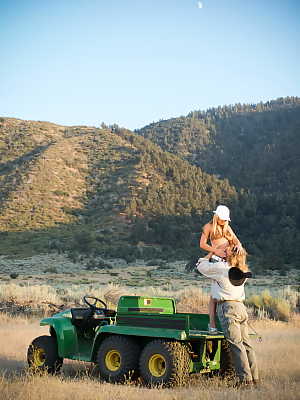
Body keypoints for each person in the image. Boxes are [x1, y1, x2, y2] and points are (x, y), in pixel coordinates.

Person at [196, 245, 259, 386]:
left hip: (227, 308)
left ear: (229, 255)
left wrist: (212, 252)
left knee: (236, 346)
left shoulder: (221, 268)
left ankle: (245, 380)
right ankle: (255, 378)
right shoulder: (242, 270)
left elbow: (200, 265)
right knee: (246, 345)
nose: (224, 251)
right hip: (241, 308)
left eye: (227, 250)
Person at [199, 205, 243, 333]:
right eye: (223, 219)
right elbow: (202, 244)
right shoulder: (208, 227)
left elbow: (236, 240)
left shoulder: (226, 227)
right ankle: (212, 325)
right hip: (218, 260)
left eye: (226, 220)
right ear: (217, 216)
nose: (224, 221)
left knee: (227, 291)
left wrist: (239, 245)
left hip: (229, 261)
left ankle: (227, 321)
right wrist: (216, 251)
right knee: (214, 296)